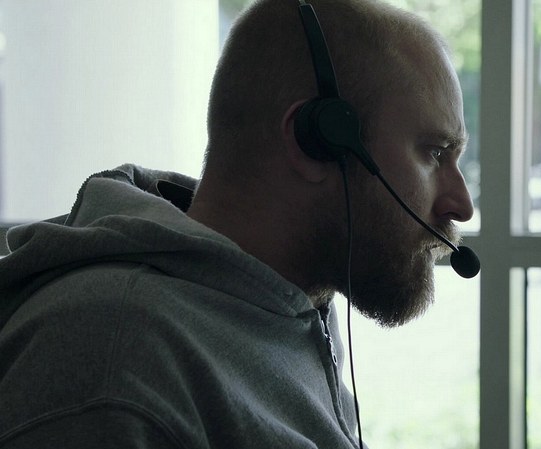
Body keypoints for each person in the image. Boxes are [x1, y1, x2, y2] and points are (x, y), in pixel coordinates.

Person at [0, 0, 474, 447]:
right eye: (435, 153)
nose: (461, 205)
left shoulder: (291, 308)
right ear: (318, 143)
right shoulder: (115, 356)